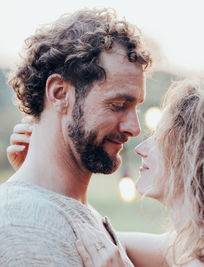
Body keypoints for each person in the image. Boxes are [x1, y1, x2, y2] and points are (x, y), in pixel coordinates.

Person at [9, 77, 204, 266]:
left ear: (197, 158)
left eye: (160, 138)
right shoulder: (202, 250)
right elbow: (89, 235)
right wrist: (41, 173)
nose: (142, 147)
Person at [1, 8, 151, 266]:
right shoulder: (25, 227)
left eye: (135, 106)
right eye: (118, 105)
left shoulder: (72, 215)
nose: (134, 128)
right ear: (60, 93)